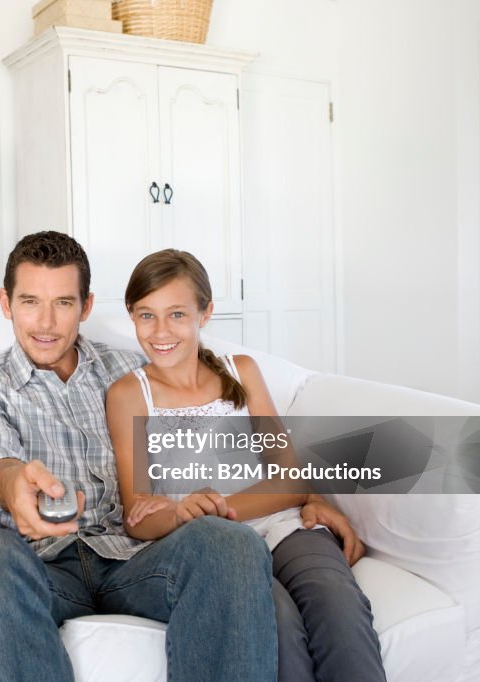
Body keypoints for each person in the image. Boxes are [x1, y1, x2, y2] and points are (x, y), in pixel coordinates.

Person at [0, 231, 277, 682]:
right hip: (38, 565)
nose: (45, 322)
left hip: (136, 557)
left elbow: (216, 413)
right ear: (6, 303)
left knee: (229, 542)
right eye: (29, 302)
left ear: (86, 306)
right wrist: (13, 482)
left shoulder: (131, 371)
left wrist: (308, 492)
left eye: (63, 303)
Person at [106, 248, 385, 682]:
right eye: (146, 315)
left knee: (340, 609)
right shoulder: (129, 394)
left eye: (177, 314)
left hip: (285, 527)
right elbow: (137, 517)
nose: (161, 331)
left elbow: (289, 479)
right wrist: (182, 514)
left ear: (206, 312)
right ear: (131, 314)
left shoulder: (242, 372)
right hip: (218, 550)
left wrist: (217, 506)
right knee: (278, 625)